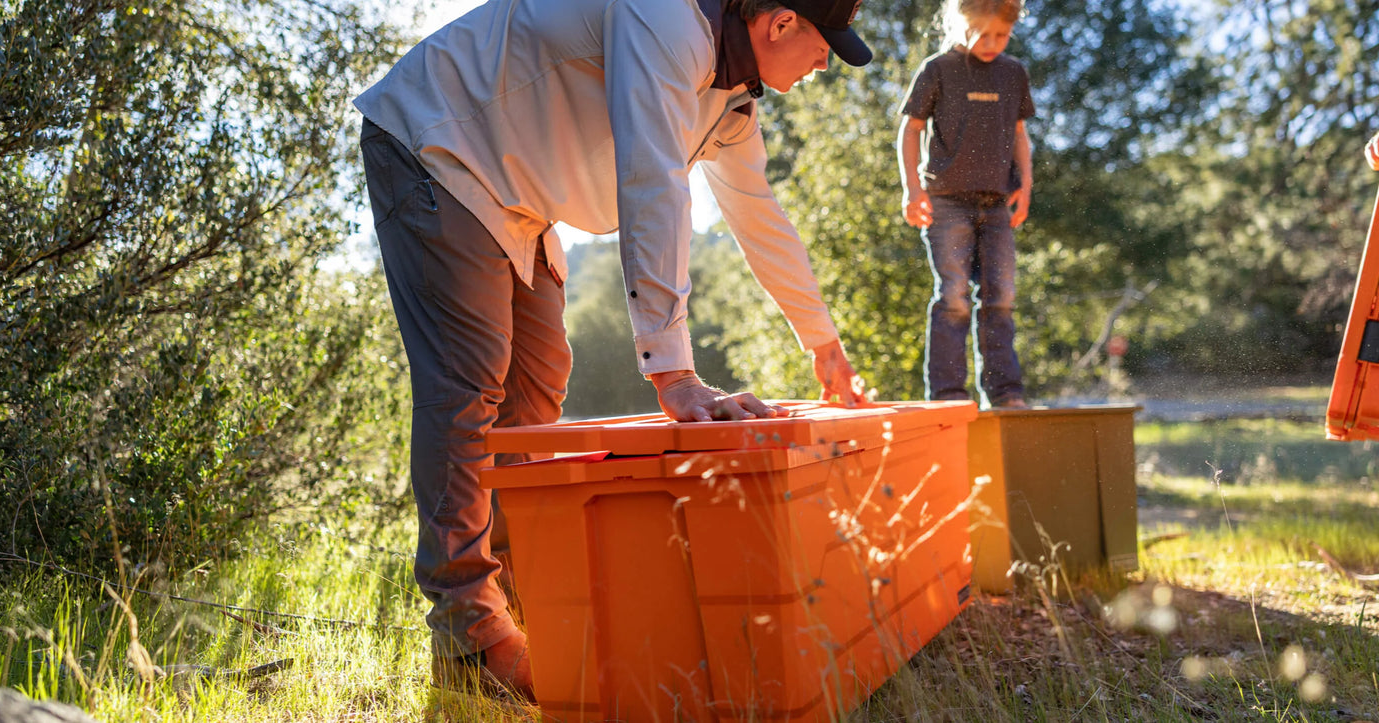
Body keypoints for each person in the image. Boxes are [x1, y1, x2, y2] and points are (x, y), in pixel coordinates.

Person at [353, 0, 872, 702]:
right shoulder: (667, 19)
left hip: (516, 195)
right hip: (437, 137)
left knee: (536, 384)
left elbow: (760, 218)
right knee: (470, 382)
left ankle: (522, 601)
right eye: (822, 43)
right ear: (780, 22)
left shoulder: (732, 100)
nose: (824, 62)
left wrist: (824, 344)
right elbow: (650, 179)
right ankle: (468, 640)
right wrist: (673, 370)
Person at [897, 0, 1034, 409]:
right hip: (945, 201)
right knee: (954, 296)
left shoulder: (1013, 72)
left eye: (1001, 35)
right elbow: (910, 129)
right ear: (960, 23)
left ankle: (1005, 393)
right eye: (981, 33)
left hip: (996, 203)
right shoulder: (938, 69)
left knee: (1000, 298)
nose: (992, 43)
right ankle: (949, 395)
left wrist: (1026, 184)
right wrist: (912, 188)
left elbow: (1019, 133)